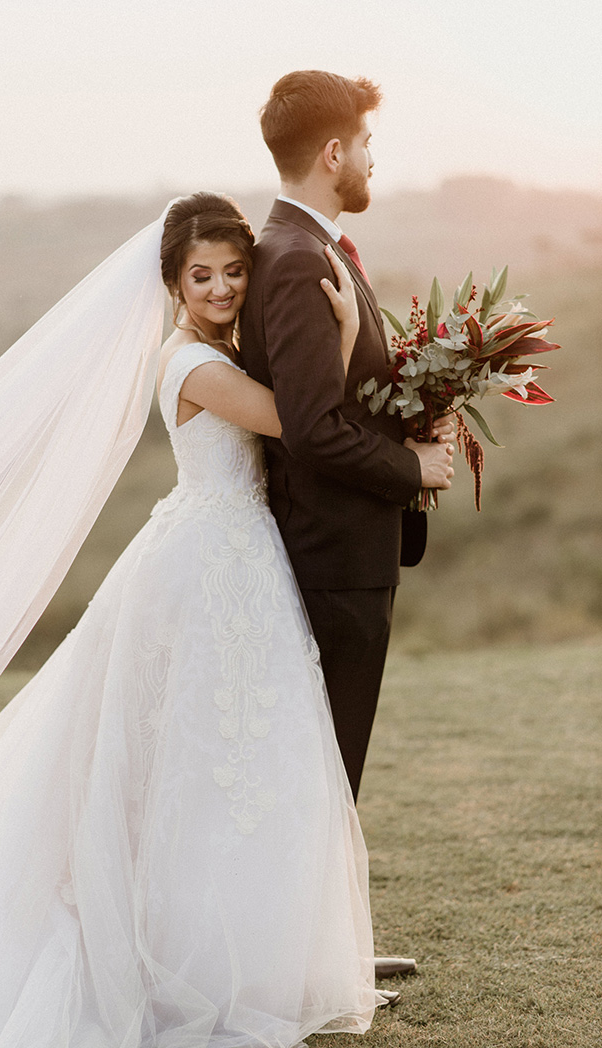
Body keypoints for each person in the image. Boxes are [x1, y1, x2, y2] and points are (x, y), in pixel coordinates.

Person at [0, 192, 394, 1047]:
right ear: (171, 283)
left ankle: (240, 942)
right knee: (206, 760)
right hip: (208, 565)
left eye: (234, 272)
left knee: (227, 761)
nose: (221, 289)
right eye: (201, 275)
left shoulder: (218, 350)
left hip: (237, 556)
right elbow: (295, 425)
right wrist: (344, 339)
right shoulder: (189, 366)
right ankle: (188, 952)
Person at [239, 71, 455, 804]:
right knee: (324, 782)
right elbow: (313, 429)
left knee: (322, 776)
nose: (371, 159)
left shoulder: (301, 244)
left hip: (339, 552)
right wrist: (412, 466)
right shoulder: (298, 258)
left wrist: (421, 406)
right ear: (334, 153)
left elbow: (334, 397)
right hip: (333, 558)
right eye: (366, 143)